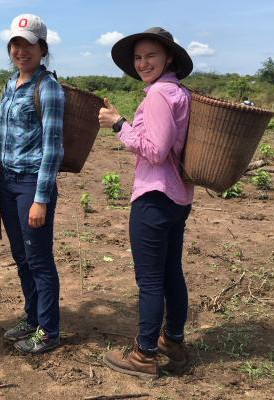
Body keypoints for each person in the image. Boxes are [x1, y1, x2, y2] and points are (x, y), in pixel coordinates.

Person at [98, 27, 194, 378]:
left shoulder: (158, 95)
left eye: (151, 55)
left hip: (154, 197)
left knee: (150, 280)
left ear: (168, 57)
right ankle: (174, 341)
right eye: (138, 57)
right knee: (171, 272)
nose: (143, 63)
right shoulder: (177, 92)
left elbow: (155, 150)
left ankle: (144, 356)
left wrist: (118, 123)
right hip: (177, 197)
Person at [0, 14, 65, 354]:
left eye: (28, 44)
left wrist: (41, 199)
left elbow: (53, 148)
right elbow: (0, 127)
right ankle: (32, 317)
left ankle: (49, 331)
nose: (21, 50)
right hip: (8, 183)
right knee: (21, 256)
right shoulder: (10, 85)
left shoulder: (48, 88)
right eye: (15, 44)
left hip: (31, 185)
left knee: (39, 259)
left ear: (42, 49)